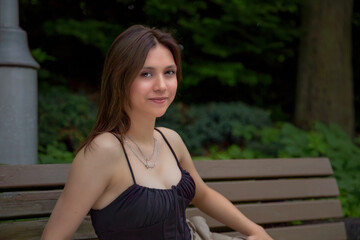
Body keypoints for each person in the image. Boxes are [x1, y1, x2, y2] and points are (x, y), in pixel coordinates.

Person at [41, 25, 274, 240]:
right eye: (146, 74)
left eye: (169, 72)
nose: (162, 85)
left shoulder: (170, 139)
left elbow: (202, 195)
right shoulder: (103, 151)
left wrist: (257, 231)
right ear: (119, 79)